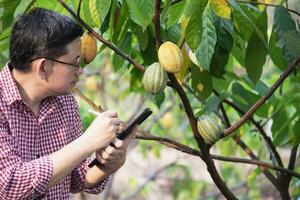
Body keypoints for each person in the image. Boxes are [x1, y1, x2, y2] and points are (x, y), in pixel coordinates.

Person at [0, 7, 137, 199]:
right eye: (75, 61)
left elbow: (76, 177)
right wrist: (86, 143)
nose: (80, 71)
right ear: (44, 67)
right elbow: (9, 185)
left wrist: (108, 164)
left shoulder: (65, 101)